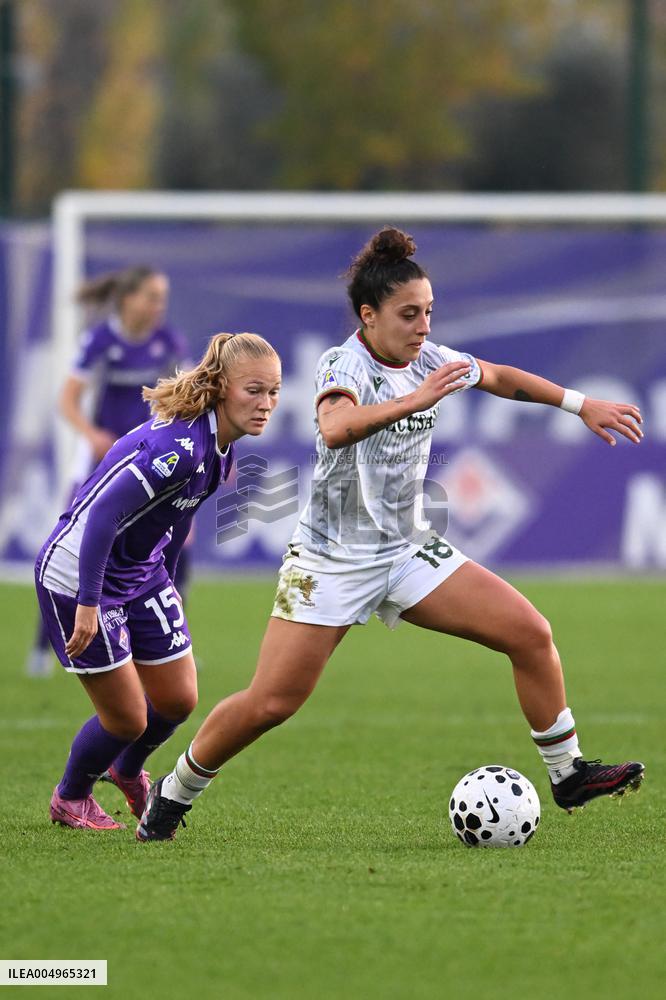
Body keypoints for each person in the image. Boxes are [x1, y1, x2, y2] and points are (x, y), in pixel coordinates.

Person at [136, 227, 645, 843]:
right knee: (272, 704)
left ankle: (568, 775)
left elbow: (501, 377)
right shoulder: (342, 363)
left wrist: (579, 402)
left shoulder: (429, 359)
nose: (423, 326)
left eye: (429, 312)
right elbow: (336, 427)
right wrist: (417, 399)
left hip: (406, 550)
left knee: (531, 635)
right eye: (409, 314)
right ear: (368, 315)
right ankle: (173, 793)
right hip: (329, 561)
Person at [35, 332, 281, 830]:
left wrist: (166, 589)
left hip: (140, 571)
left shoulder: (221, 450)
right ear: (221, 387)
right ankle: (71, 797)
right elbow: (102, 515)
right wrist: (87, 603)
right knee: (127, 719)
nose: (266, 404)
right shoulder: (183, 446)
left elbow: (177, 520)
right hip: (78, 572)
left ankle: (127, 771)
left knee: (177, 699)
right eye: (254, 390)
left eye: (274, 392)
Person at [26, 266, 192, 677]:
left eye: (163, 298)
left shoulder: (168, 342)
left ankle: (170, 638)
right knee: (73, 548)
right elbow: (68, 400)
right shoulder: (100, 340)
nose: (159, 306)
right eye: (152, 296)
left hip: (150, 462)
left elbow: (193, 394)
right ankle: (43, 646)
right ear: (128, 299)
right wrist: (91, 433)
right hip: (102, 460)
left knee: (176, 545)